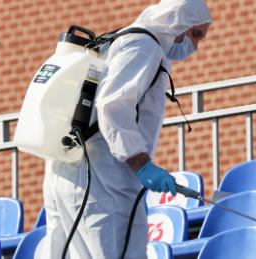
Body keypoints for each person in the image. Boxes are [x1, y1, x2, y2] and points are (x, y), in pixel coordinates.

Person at [39, 0, 212, 258]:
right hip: (102, 183)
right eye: (196, 34)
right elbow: (113, 106)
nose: (196, 45)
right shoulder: (144, 46)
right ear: (178, 22)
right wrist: (140, 163)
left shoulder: (119, 40)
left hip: (69, 172)